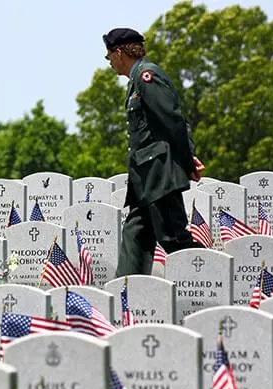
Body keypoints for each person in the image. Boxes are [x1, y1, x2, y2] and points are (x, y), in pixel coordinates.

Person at [103, 27, 205, 276]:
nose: (109, 63)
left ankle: (217, 278)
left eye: (108, 57)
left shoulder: (147, 75)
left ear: (118, 53)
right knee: (135, 234)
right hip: (144, 177)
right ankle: (124, 295)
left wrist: (186, 161)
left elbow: (172, 120)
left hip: (159, 174)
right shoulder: (135, 81)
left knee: (173, 238)